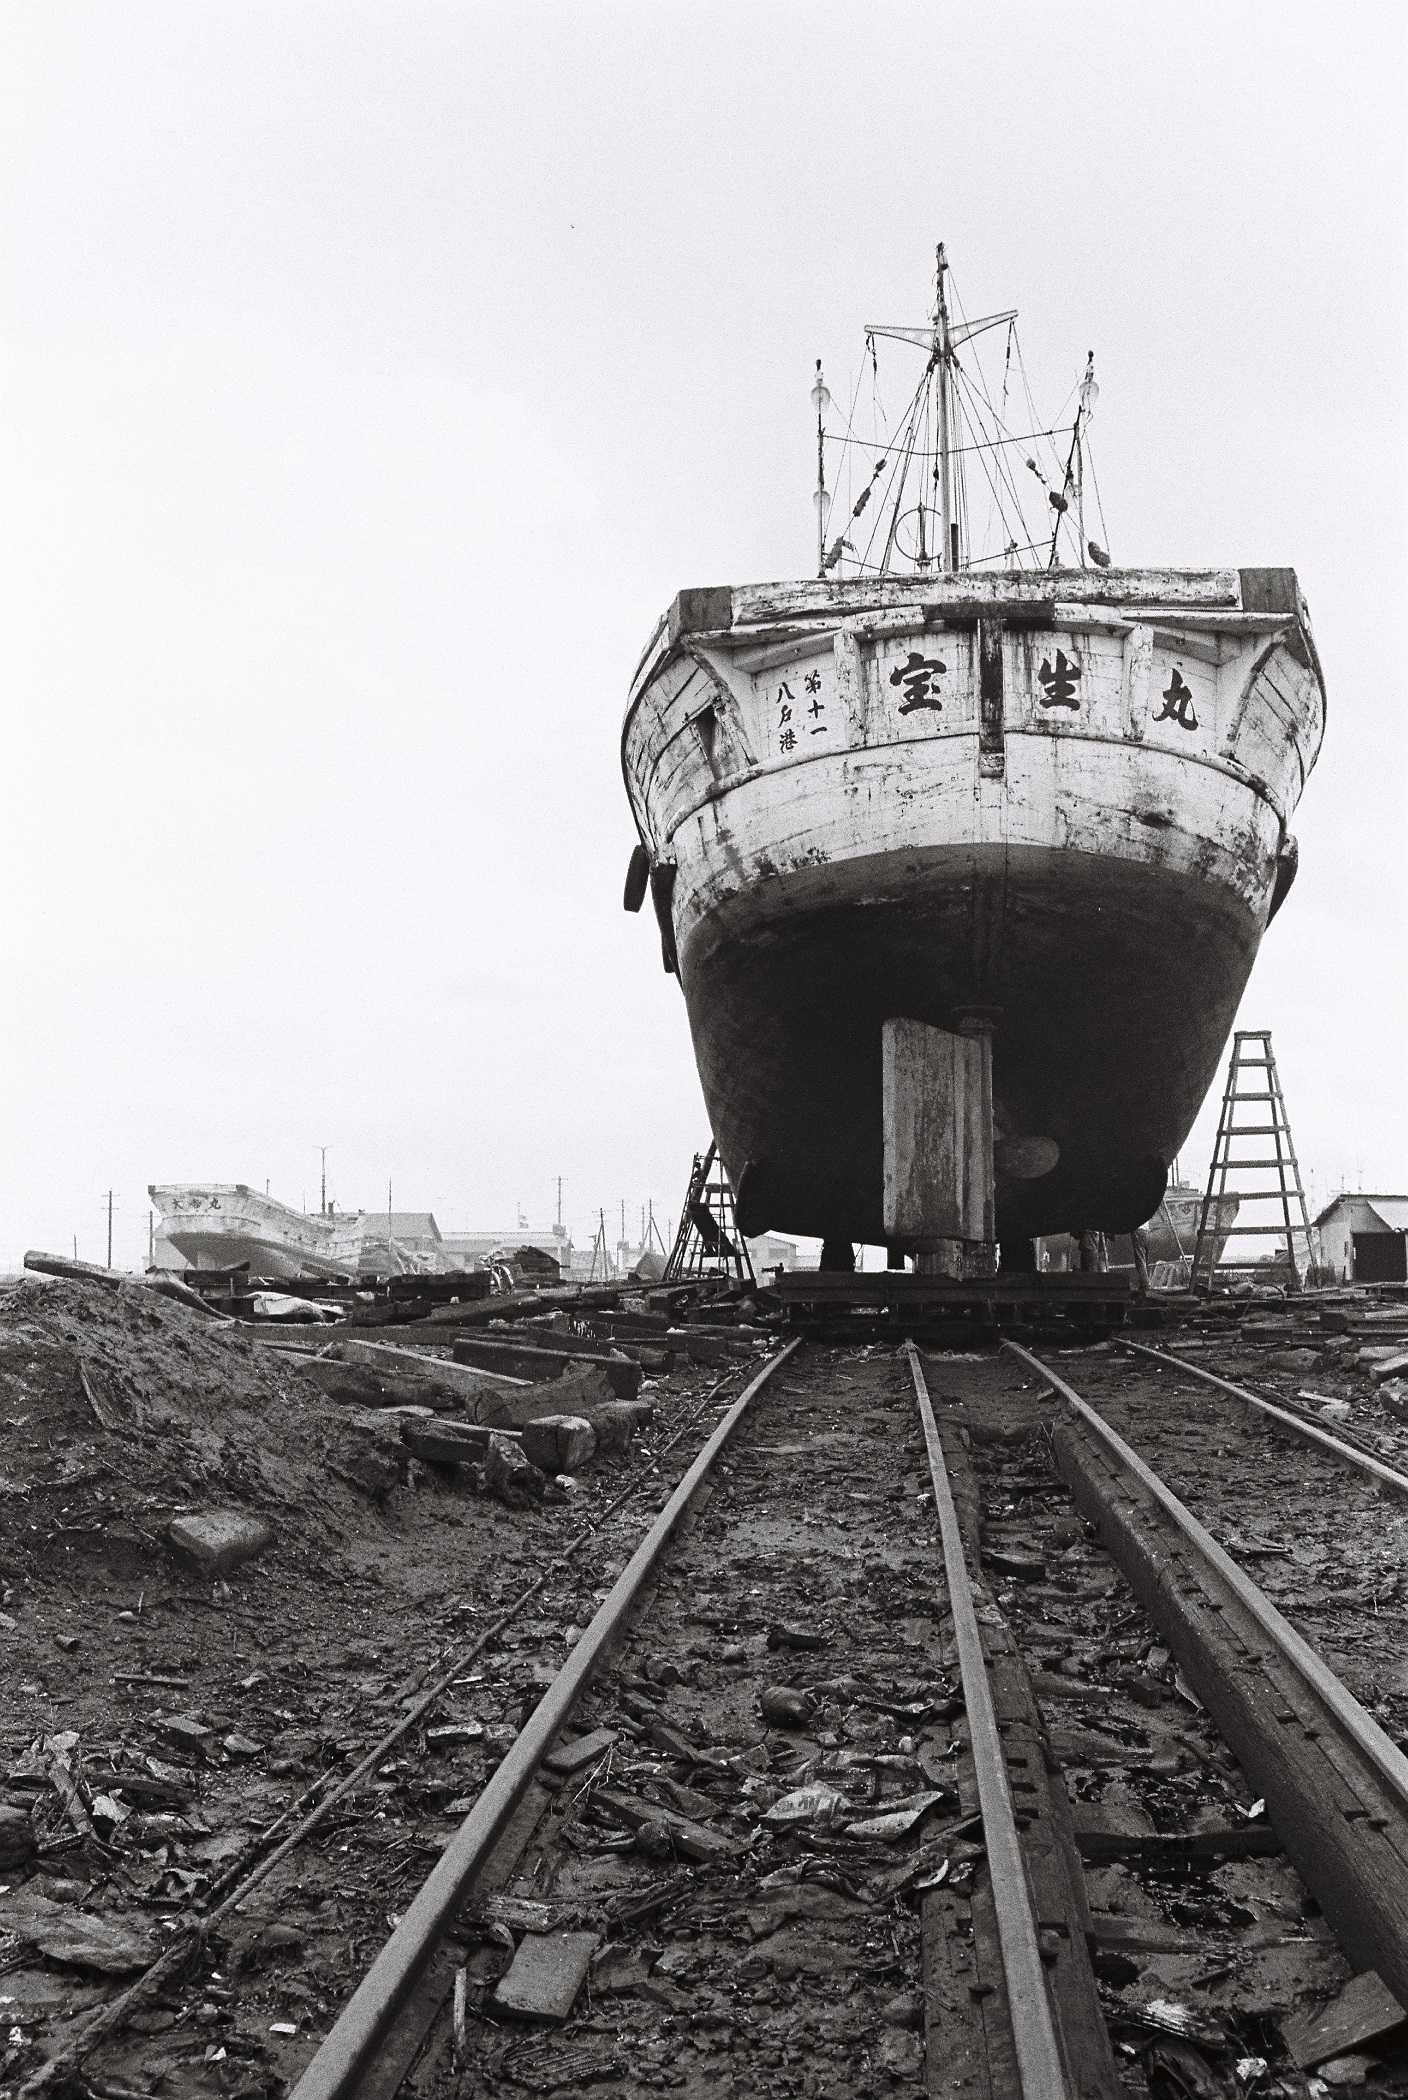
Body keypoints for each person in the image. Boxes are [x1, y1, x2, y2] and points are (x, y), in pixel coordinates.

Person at [1131, 1222, 1152, 1295]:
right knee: (1145, 1259)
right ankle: (1143, 1283)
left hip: (1138, 1230)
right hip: (1146, 1231)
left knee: (1140, 1260)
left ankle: (1145, 1285)